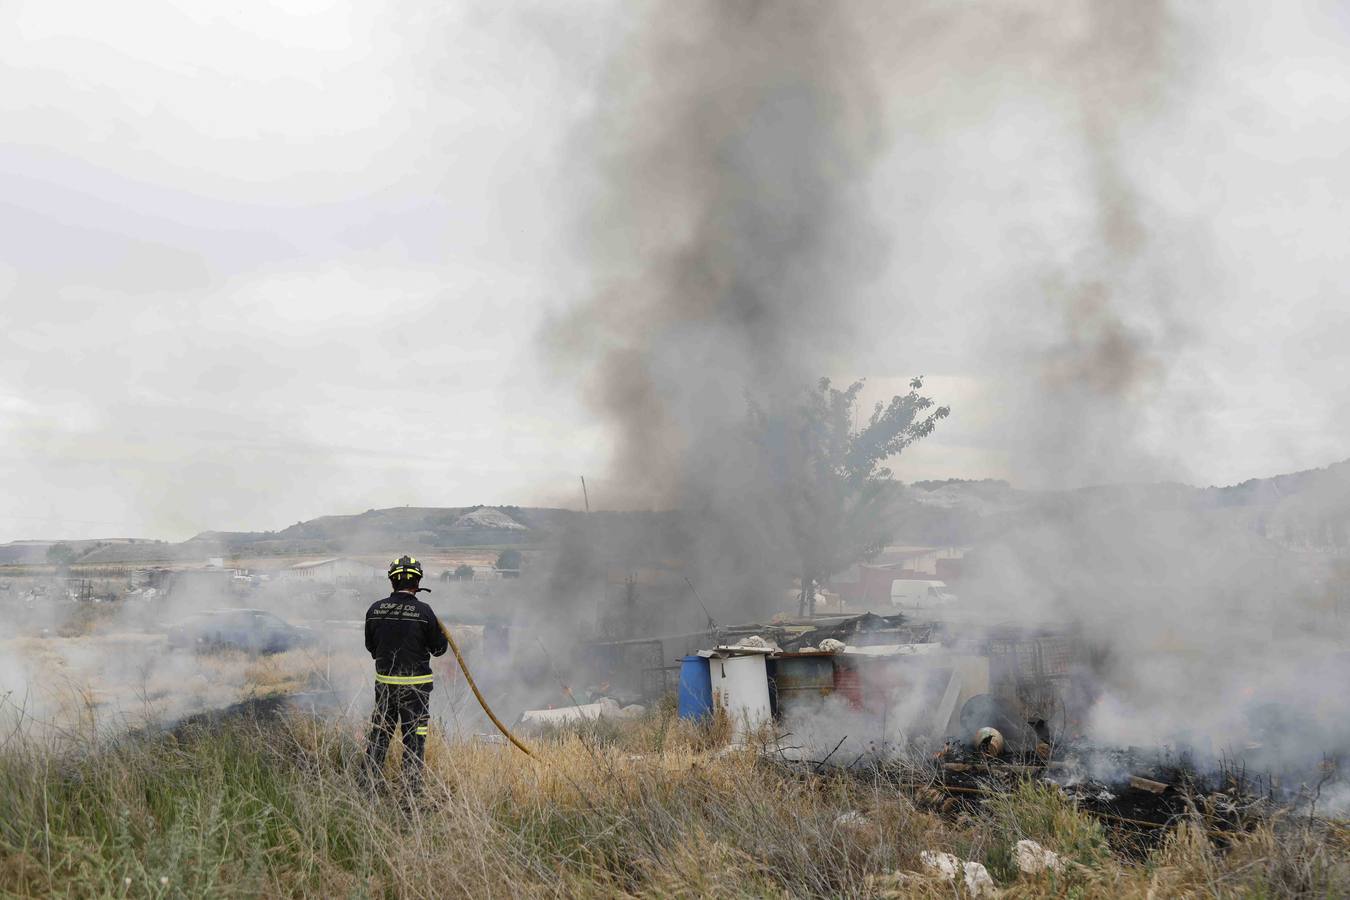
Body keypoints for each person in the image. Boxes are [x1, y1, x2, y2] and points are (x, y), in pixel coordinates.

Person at [364, 555, 448, 791]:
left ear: (392, 582)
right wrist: (439, 632)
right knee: (414, 737)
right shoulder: (425, 611)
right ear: (418, 581)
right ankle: (411, 790)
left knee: (380, 733)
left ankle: (368, 784)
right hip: (416, 689)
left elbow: (371, 648)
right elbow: (439, 649)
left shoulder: (375, 609)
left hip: (384, 687)